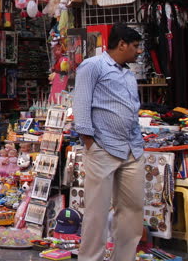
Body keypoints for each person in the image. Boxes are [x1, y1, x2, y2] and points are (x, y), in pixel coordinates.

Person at [73, 23, 144, 261]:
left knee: (133, 211)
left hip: (132, 149)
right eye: (135, 46)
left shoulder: (128, 74)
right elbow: (81, 105)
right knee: (97, 212)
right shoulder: (92, 66)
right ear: (121, 44)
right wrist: (90, 143)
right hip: (103, 148)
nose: (139, 51)